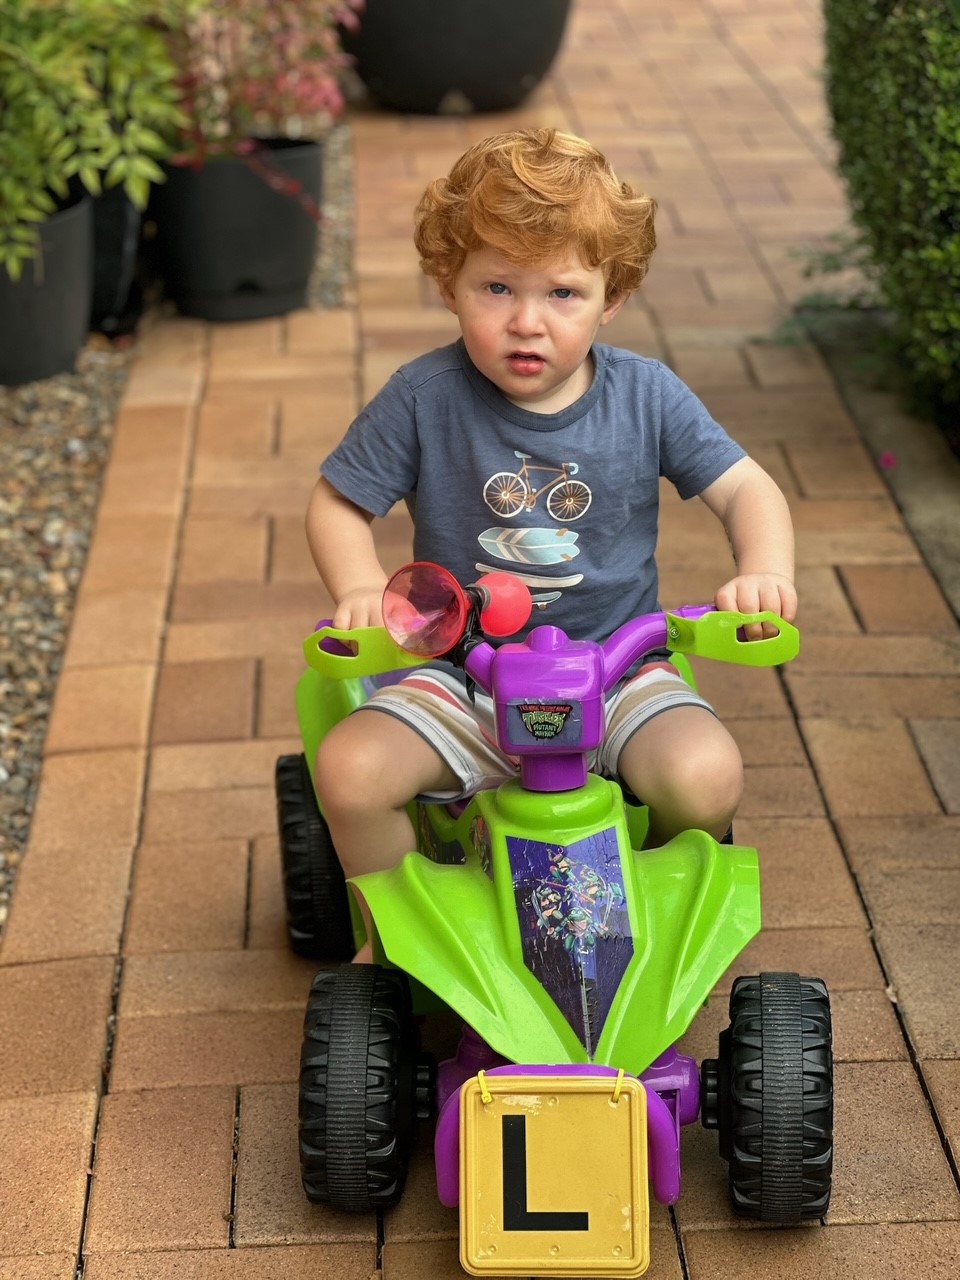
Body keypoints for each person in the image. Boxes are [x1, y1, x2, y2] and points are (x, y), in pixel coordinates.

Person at [306, 128, 796, 961]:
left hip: (616, 672)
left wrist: (764, 570)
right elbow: (337, 503)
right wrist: (359, 586)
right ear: (449, 286)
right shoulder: (425, 397)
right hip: (461, 676)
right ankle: (397, 938)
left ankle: (658, 913)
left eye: (562, 293)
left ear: (613, 295)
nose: (526, 322)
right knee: (351, 773)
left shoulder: (647, 396)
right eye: (496, 287)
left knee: (705, 775)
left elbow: (746, 487)